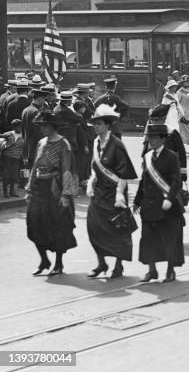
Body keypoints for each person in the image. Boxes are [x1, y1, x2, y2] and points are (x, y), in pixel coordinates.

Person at [85, 105, 138, 279]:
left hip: (114, 194)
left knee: (117, 229)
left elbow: (124, 173)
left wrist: (120, 195)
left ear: (107, 125)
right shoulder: (95, 143)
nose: (96, 127)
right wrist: (92, 182)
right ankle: (101, 263)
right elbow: (95, 166)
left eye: (99, 124)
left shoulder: (117, 144)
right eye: (94, 124)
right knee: (94, 228)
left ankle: (118, 265)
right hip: (99, 192)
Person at [26, 111, 79, 276]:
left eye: (46, 125)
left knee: (57, 226)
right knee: (33, 224)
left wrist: (66, 194)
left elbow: (68, 170)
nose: (43, 129)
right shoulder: (41, 142)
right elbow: (35, 166)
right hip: (39, 188)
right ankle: (44, 259)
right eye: (41, 125)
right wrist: (29, 187)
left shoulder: (64, 144)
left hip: (55, 189)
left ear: (53, 126)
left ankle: (58, 263)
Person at [133, 122, 185, 283]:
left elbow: (176, 181)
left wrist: (169, 199)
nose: (151, 140)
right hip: (149, 204)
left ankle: (170, 270)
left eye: (155, 137)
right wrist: (137, 201)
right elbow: (144, 180)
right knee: (148, 238)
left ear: (163, 139)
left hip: (166, 206)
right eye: (149, 137)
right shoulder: (147, 156)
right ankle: (152, 270)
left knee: (168, 239)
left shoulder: (171, 156)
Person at [0, 119, 24, 197]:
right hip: (7, 157)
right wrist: (3, 143)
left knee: (14, 174)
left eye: (20, 126)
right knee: (6, 174)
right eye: (17, 127)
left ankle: (12, 191)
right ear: (14, 127)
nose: (19, 128)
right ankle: (5, 191)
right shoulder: (9, 134)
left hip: (16, 158)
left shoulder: (23, 135)